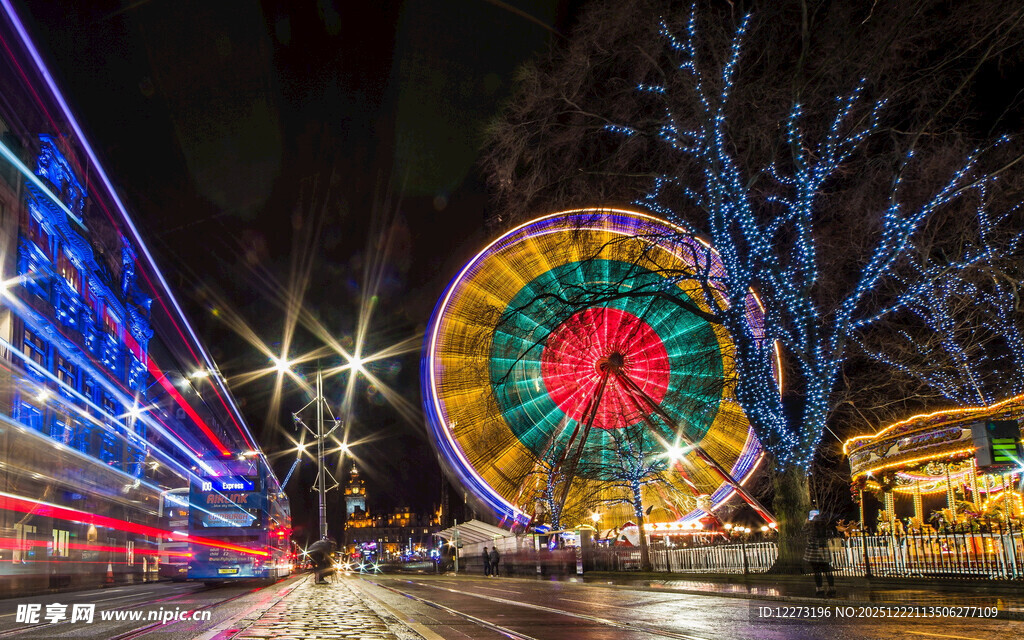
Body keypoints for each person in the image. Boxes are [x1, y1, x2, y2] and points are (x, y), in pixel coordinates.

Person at [803, 510, 835, 597]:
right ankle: (832, 588)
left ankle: (819, 589)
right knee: (827, 571)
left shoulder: (811, 527)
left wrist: (807, 522)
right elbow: (830, 535)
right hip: (824, 551)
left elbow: (804, 531)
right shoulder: (826, 528)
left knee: (817, 572)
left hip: (813, 552)